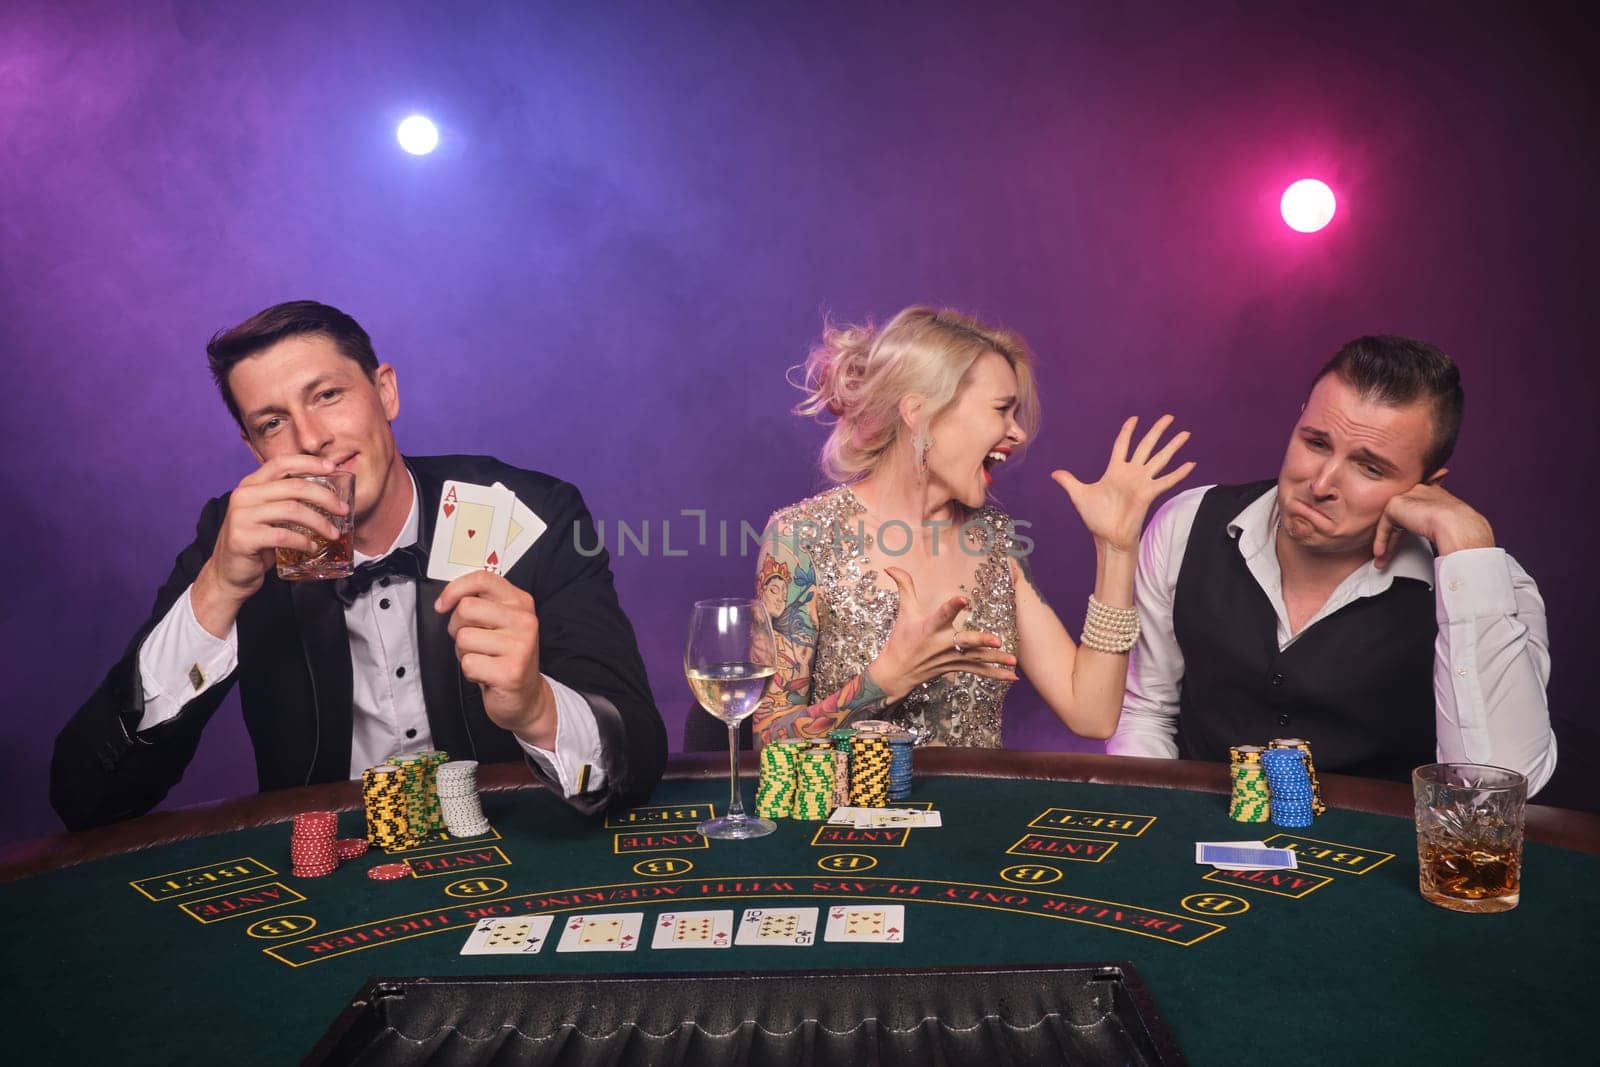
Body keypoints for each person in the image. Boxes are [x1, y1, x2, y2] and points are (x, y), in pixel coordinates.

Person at [51, 301, 666, 830]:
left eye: (327, 395)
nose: (311, 437)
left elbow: (639, 752)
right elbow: (88, 801)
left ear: (386, 391)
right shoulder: (234, 541)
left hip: (511, 857)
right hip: (327, 893)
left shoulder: (531, 512)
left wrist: (536, 707)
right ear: (252, 449)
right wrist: (216, 590)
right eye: (273, 422)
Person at [1108, 335, 1557, 793]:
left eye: (1370, 468)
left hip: (1382, 856)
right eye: (1317, 443)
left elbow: (1496, 786)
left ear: (1428, 486)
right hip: (1198, 838)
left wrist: (1466, 545)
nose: (1320, 483)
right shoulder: (1187, 524)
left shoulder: (1491, 586)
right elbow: (1145, 715)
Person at [752, 307, 1193, 745]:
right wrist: (886, 679)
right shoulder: (801, 537)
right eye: (1002, 409)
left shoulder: (996, 541)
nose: (1017, 433)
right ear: (919, 413)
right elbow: (768, 740)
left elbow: (1092, 714)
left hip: (976, 811)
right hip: (847, 813)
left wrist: (1115, 550)